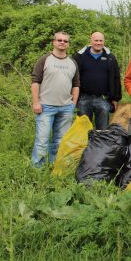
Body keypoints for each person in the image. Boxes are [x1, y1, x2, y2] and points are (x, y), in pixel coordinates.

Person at [30, 31, 80, 167]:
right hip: (45, 107)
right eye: (59, 40)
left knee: (60, 140)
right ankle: (37, 169)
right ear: (54, 42)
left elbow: (76, 85)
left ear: (68, 44)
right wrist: (36, 102)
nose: (62, 43)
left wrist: (73, 104)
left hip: (66, 108)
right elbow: (35, 82)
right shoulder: (45, 60)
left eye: (65, 41)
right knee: (42, 140)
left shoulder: (72, 63)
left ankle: (54, 166)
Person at [72, 32, 121, 130]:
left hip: (102, 99)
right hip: (84, 98)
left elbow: (116, 78)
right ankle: (84, 145)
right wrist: (72, 98)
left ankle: (101, 145)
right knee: (83, 129)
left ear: (104, 42)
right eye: (96, 40)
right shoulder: (80, 57)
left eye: (101, 40)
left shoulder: (110, 58)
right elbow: (72, 77)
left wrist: (115, 98)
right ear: (91, 41)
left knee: (103, 129)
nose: (98, 43)